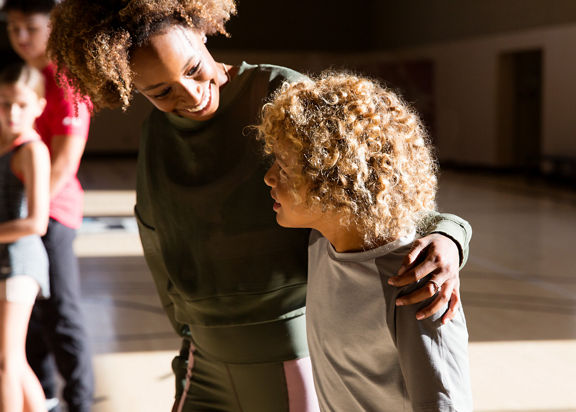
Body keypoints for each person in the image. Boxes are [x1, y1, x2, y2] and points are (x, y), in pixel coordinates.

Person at [47, 1, 472, 410]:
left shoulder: (280, 92)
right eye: (160, 92)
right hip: (203, 353)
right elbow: (158, 241)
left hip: (285, 350)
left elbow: (371, 187)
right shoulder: (156, 135)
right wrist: (187, 332)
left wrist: (449, 234)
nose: (191, 94)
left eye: (194, 69)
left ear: (201, 30)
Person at [259, 72, 473, 411]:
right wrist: (453, 232)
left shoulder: (415, 281)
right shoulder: (319, 243)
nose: (269, 176)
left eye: (284, 168)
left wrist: (451, 237)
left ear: (335, 180)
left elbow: (444, 404)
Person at [2, 1, 94, 411]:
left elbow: (62, 163)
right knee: (28, 325)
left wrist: (29, 214)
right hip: (18, 217)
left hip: (51, 213)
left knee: (61, 315)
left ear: (52, 28)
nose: (21, 37)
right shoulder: (22, 77)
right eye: (14, 28)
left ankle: (80, 402)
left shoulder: (67, 82)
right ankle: (42, 398)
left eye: (30, 28)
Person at [0, 61, 51, 412]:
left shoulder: (32, 150)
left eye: (21, 104)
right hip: (6, 261)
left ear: (39, 107)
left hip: (21, 263)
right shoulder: (6, 145)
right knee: (13, 360)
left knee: (5, 360)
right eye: (5, 103)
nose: (12, 112)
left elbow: (36, 222)